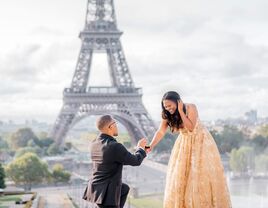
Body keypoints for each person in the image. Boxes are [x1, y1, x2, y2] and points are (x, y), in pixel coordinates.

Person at [148, 91, 232, 208]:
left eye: (169, 105)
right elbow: (161, 131)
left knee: (201, 177)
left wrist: (181, 111)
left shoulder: (191, 107)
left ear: (178, 101)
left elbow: (191, 127)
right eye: (165, 107)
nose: (168, 109)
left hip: (201, 142)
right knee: (181, 178)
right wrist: (151, 145)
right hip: (184, 144)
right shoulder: (166, 114)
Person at [83, 114, 147, 208]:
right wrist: (140, 149)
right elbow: (135, 161)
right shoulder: (115, 146)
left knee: (124, 188)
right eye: (115, 124)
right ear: (111, 126)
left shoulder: (94, 143)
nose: (117, 127)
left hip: (96, 188)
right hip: (108, 192)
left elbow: (112, 159)